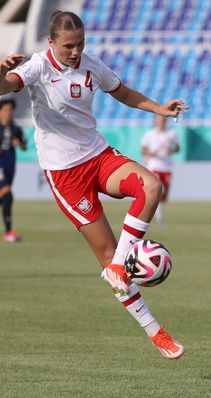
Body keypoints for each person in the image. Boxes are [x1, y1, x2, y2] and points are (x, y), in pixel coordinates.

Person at [0, 10, 188, 359]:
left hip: (98, 155)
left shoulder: (92, 65)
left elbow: (124, 92)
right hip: (65, 174)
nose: (75, 51)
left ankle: (118, 265)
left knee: (150, 187)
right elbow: (5, 86)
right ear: (51, 42)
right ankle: (155, 331)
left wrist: (159, 109)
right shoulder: (38, 66)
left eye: (81, 44)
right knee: (106, 255)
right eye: (69, 45)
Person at [141, 115, 180, 225]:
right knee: (156, 190)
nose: (161, 121)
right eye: (159, 119)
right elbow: (143, 151)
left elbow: (178, 148)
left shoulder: (171, 134)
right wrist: (151, 153)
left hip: (166, 166)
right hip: (154, 166)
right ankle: (153, 217)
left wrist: (171, 149)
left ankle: (159, 216)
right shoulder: (149, 134)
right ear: (156, 121)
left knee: (163, 196)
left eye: (163, 119)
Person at [0, 99, 27, 242]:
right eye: (5, 110)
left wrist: (19, 143)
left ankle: (9, 232)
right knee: (7, 195)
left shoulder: (16, 129)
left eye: (10, 110)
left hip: (10, 168)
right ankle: (9, 232)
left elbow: (24, 146)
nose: (8, 113)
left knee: (5, 199)